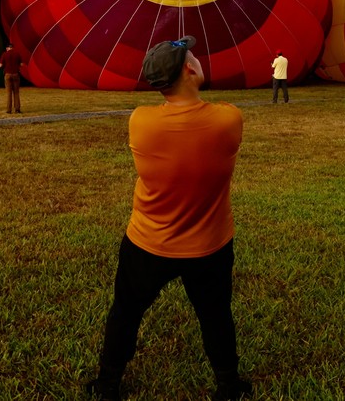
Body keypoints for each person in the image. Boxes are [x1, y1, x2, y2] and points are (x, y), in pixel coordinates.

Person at [86, 36, 252, 401]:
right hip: (210, 246)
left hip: (147, 243)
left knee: (125, 313)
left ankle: (107, 385)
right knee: (216, 316)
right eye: (194, 56)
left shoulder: (141, 120)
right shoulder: (228, 118)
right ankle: (229, 386)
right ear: (190, 69)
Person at [0, 42, 23, 114]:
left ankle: (9, 110)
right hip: (16, 74)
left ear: (7, 48)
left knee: (9, 93)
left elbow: (0, 65)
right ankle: (17, 109)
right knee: (16, 92)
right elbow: (21, 64)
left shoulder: (4, 54)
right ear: (12, 48)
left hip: (8, 75)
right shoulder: (17, 54)